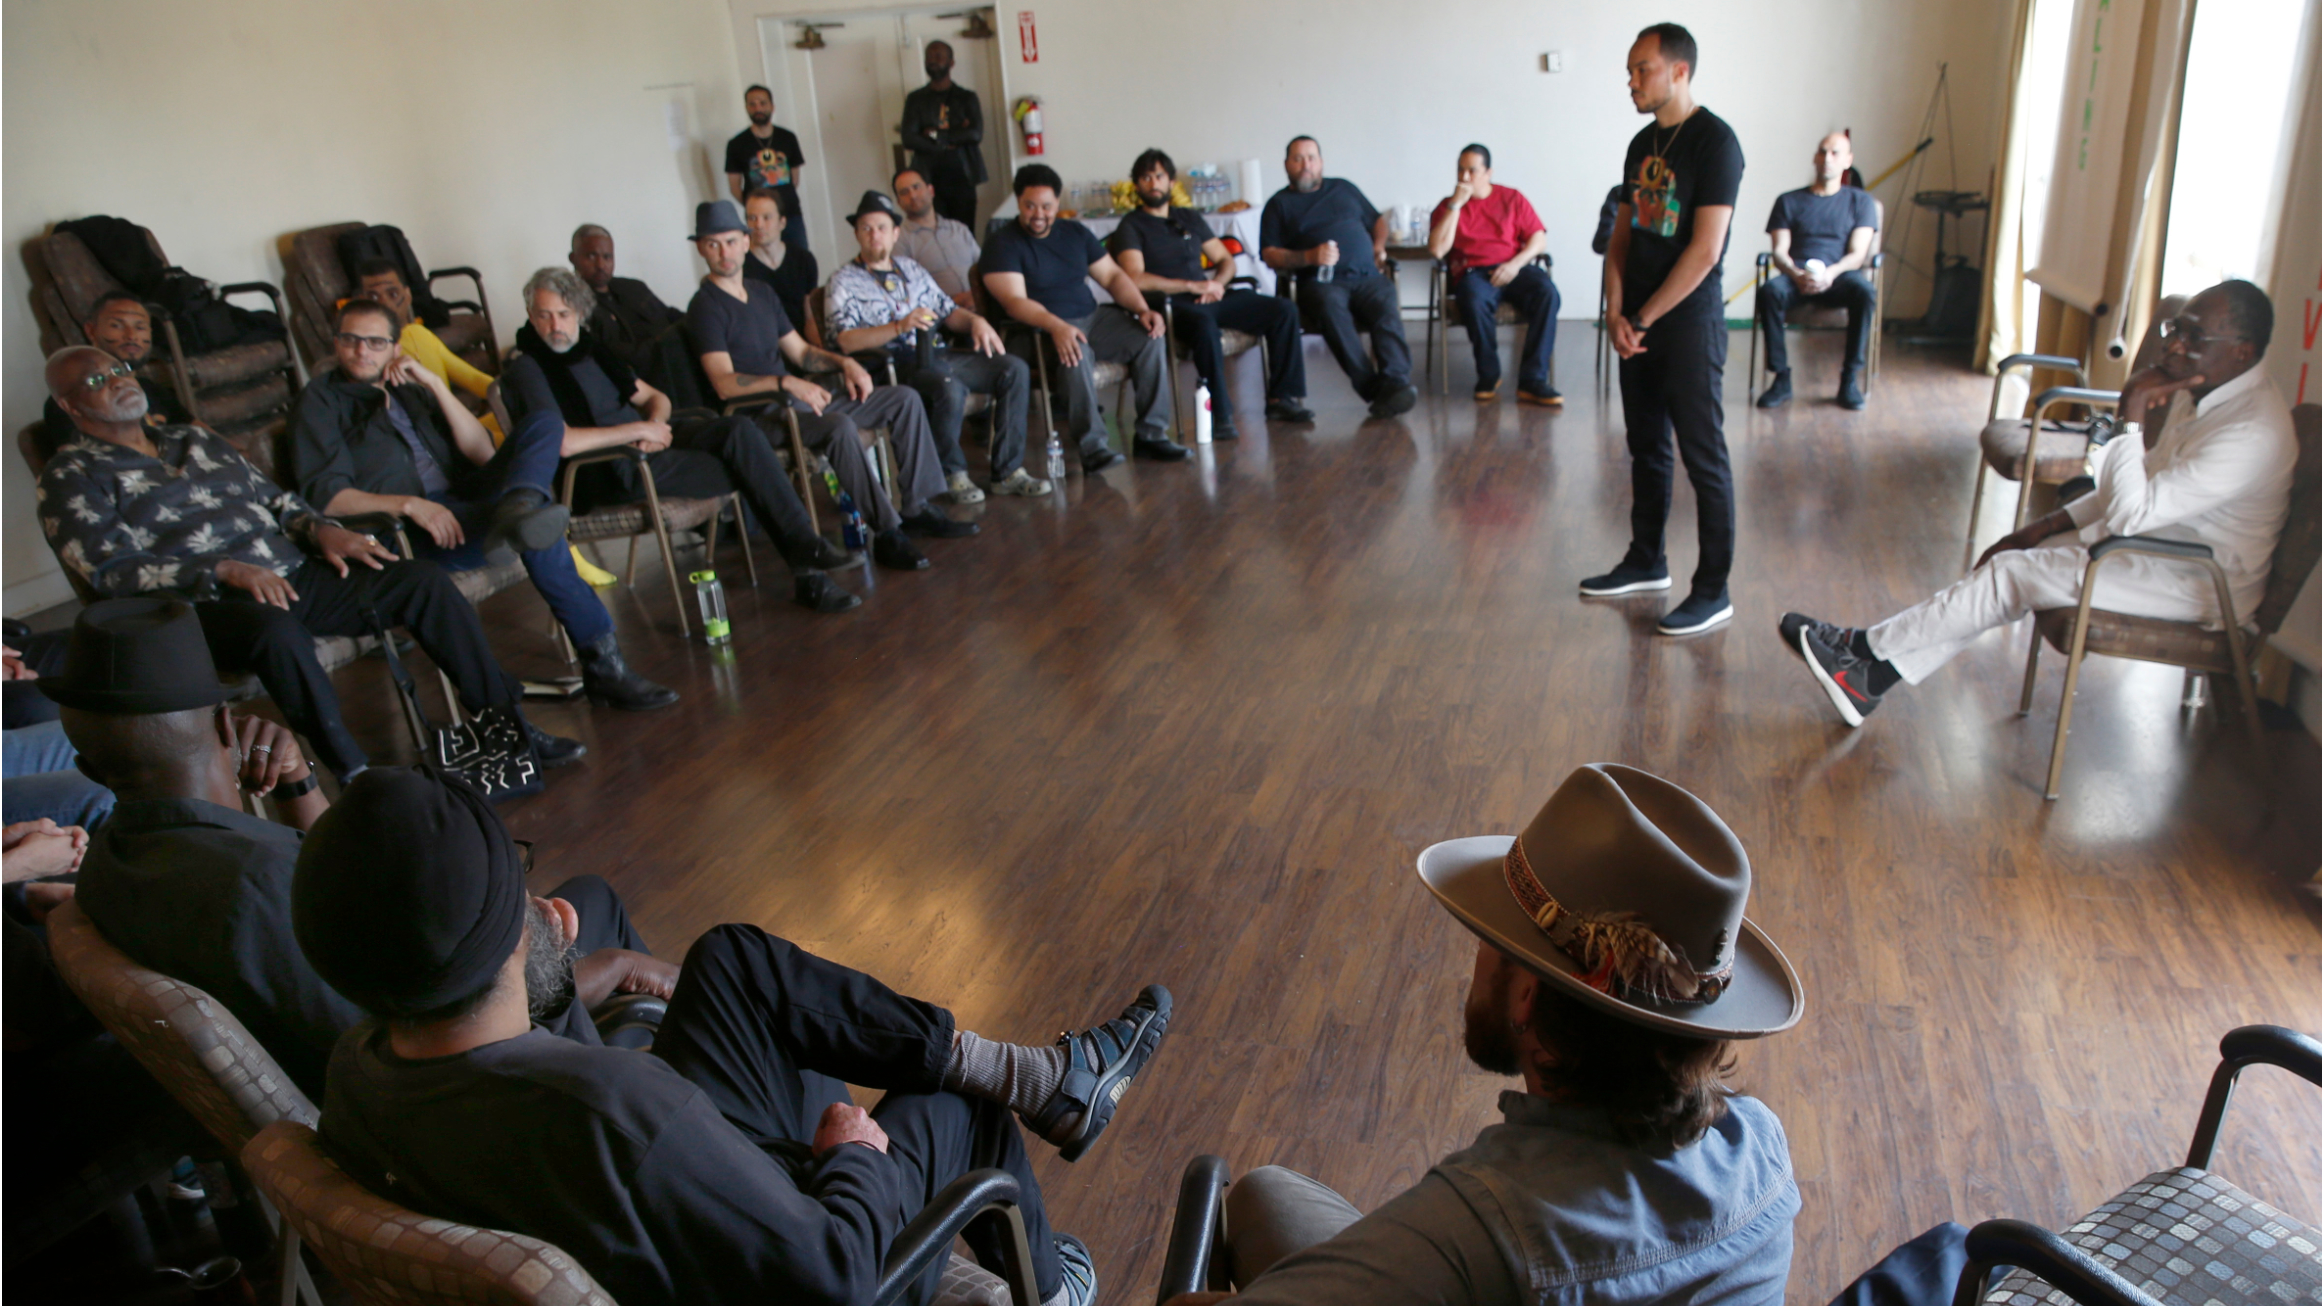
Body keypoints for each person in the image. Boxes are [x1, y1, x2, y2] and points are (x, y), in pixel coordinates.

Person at [297, 763, 1178, 1305]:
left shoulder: (355, 1074)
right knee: (958, 1111)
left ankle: (1053, 1081)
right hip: (794, 1256)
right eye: (520, 898)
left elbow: (540, 1096)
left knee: (732, 963)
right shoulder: (623, 1111)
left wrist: (551, 978)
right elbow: (831, 1283)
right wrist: (854, 1157)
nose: (550, 906)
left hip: (645, 1221)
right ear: (511, 940)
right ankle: (1052, 1288)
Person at [47, 598, 674, 1100]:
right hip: (466, 1099)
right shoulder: (255, 887)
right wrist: (598, 972)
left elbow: (347, 883)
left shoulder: (107, 868)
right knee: (616, 931)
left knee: (588, 898)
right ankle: (664, 1108)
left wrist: (295, 781)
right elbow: (433, 1042)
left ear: (87, 765)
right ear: (224, 727)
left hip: (350, 1093)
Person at [1219, 764, 1802, 1302]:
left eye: (1492, 938)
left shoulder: (1474, 1233)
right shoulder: (1762, 1147)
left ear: (1527, 994)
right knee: (1268, 1199)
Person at [35, 345, 581, 782]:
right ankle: (352, 771)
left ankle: (509, 730)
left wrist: (324, 530)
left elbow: (278, 502)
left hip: (292, 573)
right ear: (68, 407)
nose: (117, 379)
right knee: (273, 631)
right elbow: (108, 570)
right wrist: (223, 571)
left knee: (422, 581)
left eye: (119, 369)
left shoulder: (193, 439)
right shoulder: (69, 475)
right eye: (94, 381)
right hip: (195, 609)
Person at [1781, 282, 2294, 727]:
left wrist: (2131, 409)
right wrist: (2042, 525)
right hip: (2160, 543)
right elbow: (2140, 487)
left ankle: (1864, 649)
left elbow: (2131, 511)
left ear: (2243, 352)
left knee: (2011, 575)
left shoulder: (2251, 432)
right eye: (2176, 329)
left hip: (2201, 583)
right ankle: (1869, 677)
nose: (2176, 346)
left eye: (2194, 337)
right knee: (2011, 561)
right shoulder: (2202, 389)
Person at [290, 298, 677, 712]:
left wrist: (436, 387)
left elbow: (482, 453)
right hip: (412, 530)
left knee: (543, 425)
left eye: (374, 342)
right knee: (536, 532)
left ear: (395, 348)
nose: (362, 351)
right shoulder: (320, 401)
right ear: (335, 343)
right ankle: (607, 669)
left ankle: (521, 507)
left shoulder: (409, 391)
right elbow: (327, 496)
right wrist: (410, 505)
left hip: (465, 500)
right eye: (350, 340)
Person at [504, 266, 864, 614]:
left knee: (738, 430)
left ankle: (806, 553)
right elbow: (563, 442)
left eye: (563, 314)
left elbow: (654, 398)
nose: (555, 326)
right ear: (530, 316)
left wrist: (656, 425)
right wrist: (639, 432)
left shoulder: (590, 348)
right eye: (544, 315)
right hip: (608, 467)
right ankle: (809, 570)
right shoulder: (529, 367)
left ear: (579, 313)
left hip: (645, 444)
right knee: (749, 462)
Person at [686, 200, 976, 572]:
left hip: (797, 403)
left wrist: (845, 362)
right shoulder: (705, 306)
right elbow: (724, 383)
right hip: (758, 418)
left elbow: (804, 354)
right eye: (713, 244)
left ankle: (917, 508)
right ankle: (887, 533)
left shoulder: (760, 293)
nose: (724, 252)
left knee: (902, 398)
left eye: (730, 241)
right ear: (700, 249)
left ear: (746, 241)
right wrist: (785, 381)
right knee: (838, 426)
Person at [1590, 22, 1746, 638]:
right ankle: (1645, 561)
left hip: (1687, 324)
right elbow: (1621, 237)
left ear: (1679, 71)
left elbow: (1705, 251)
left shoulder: (1715, 143)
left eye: (1642, 69)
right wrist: (1613, 310)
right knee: (1646, 446)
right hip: (1637, 322)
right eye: (1630, 70)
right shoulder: (1639, 145)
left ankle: (1713, 591)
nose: (1631, 81)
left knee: (1703, 459)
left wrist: (1644, 317)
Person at [827, 190, 1047, 499]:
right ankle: (951, 474)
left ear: (894, 233)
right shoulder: (843, 280)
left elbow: (947, 312)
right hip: (891, 364)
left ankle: (1008, 472)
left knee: (1013, 369)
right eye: (866, 228)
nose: (874, 235)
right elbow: (845, 341)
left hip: (934, 353)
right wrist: (898, 327)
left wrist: (975, 322)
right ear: (856, 234)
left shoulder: (912, 269)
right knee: (947, 386)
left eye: (881, 227)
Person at [983, 164, 1188, 470]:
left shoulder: (1075, 232)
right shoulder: (1002, 243)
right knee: (1076, 352)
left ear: (1057, 203)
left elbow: (1113, 277)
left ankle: (1151, 435)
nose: (1039, 214)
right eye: (1030, 206)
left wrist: (1143, 309)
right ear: (1018, 202)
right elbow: (1014, 302)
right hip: (1036, 332)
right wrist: (1056, 326)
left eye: (1047, 206)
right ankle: (1093, 448)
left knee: (1150, 336)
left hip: (1091, 318)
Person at [1109, 149, 1311, 439]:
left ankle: (1282, 398)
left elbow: (1226, 260)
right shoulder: (1131, 225)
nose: (1153, 183)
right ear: (1137, 185)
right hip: (1170, 304)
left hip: (1210, 297)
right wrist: (1191, 286)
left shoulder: (1188, 218)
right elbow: (1134, 278)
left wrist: (1216, 284)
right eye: (1145, 178)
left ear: (1171, 182)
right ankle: (1221, 414)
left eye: (1159, 176)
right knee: (1204, 326)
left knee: (1283, 310)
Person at [1260, 137, 1417, 420]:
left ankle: (1396, 382)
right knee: (1332, 310)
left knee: (1385, 303)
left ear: (1321, 162)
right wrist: (1308, 256)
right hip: (1321, 283)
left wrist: (1378, 246)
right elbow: (1269, 254)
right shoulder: (1279, 204)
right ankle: (1373, 388)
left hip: (1367, 276)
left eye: (1311, 157)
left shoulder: (1343, 188)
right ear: (1286, 165)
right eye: (1298, 158)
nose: (1305, 164)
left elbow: (1377, 220)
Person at [1428, 143, 1561, 405]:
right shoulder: (1447, 206)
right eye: (1460, 171)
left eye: (1472, 171)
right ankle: (1489, 373)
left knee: (1547, 293)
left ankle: (1533, 380)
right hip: (1473, 272)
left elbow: (1538, 239)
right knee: (1473, 300)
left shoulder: (1511, 198)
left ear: (1488, 172)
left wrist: (1516, 264)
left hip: (1512, 266)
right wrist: (1456, 206)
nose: (1465, 178)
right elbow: (1437, 249)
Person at [1756, 131, 1879, 410]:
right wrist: (1795, 273)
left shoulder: (1861, 202)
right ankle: (1781, 378)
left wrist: (1830, 274)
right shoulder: (1788, 201)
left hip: (1838, 276)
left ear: (1848, 161)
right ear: (1814, 157)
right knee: (1770, 292)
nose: (1828, 159)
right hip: (1797, 277)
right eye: (1823, 152)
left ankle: (1849, 379)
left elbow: (1858, 254)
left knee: (1865, 291)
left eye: (1836, 153)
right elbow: (1779, 252)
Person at [567, 223, 707, 410]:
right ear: (573, 258)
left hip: (682, 365)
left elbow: (671, 314)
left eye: (607, 257)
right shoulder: (571, 306)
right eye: (591, 256)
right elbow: (618, 355)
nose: (601, 265)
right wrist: (665, 340)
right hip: (644, 388)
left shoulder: (633, 288)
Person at [37, 292, 186, 461]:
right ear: (91, 331)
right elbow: (80, 468)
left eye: (140, 327)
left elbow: (204, 436)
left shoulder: (150, 388)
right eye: (116, 325)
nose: (131, 336)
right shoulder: (70, 404)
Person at [353, 259, 496, 406]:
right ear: (362, 303)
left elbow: (473, 379)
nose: (385, 304)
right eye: (374, 297)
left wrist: (513, 394)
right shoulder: (366, 353)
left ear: (408, 295)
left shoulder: (418, 333)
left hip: (453, 422)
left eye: (393, 294)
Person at [899, 41, 986, 231]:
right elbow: (908, 138)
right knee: (931, 232)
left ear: (951, 63)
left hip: (962, 176)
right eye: (929, 56)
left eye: (938, 56)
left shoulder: (966, 97)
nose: (933, 61)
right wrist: (952, 138)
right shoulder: (916, 99)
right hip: (928, 179)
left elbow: (975, 134)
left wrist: (933, 134)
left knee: (963, 232)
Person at [725, 85, 808, 253]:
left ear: (772, 106)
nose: (758, 108)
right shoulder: (736, 144)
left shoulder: (788, 138)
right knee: (763, 267)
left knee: (800, 262)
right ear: (747, 108)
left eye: (763, 103)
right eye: (752, 104)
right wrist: (756, 206)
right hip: (758, 222)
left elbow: (794, 180)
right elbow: (734, 187)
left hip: (790, 214)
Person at [894, 168, 983, 303]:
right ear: (899, 203)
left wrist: (975, 296)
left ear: (931, 191)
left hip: (981, 305)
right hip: (939, 316)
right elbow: (905, 291)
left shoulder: (959, 229)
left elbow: (983, 269)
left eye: (916, 187)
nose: (912, 195)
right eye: (904, 192)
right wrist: (952, 302)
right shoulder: (898, 240)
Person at [741, 187, 820, 337]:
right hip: (764, 347)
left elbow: (810, 317)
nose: (758, 225)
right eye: (752, 218)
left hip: (801, 343)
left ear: (782, 222)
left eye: (767, 217)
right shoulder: (740, 267)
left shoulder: (803, 260)